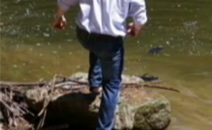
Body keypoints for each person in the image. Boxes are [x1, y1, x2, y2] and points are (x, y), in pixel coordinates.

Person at [53, 0, 147, 129]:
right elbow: (140, 13)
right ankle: (104, 127)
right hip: (110, 42)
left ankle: (95, 84)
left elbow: (65, 1)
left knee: (98, 46)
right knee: (112, 84)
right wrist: (136, 27)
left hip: (85, 35)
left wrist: (59, 16)